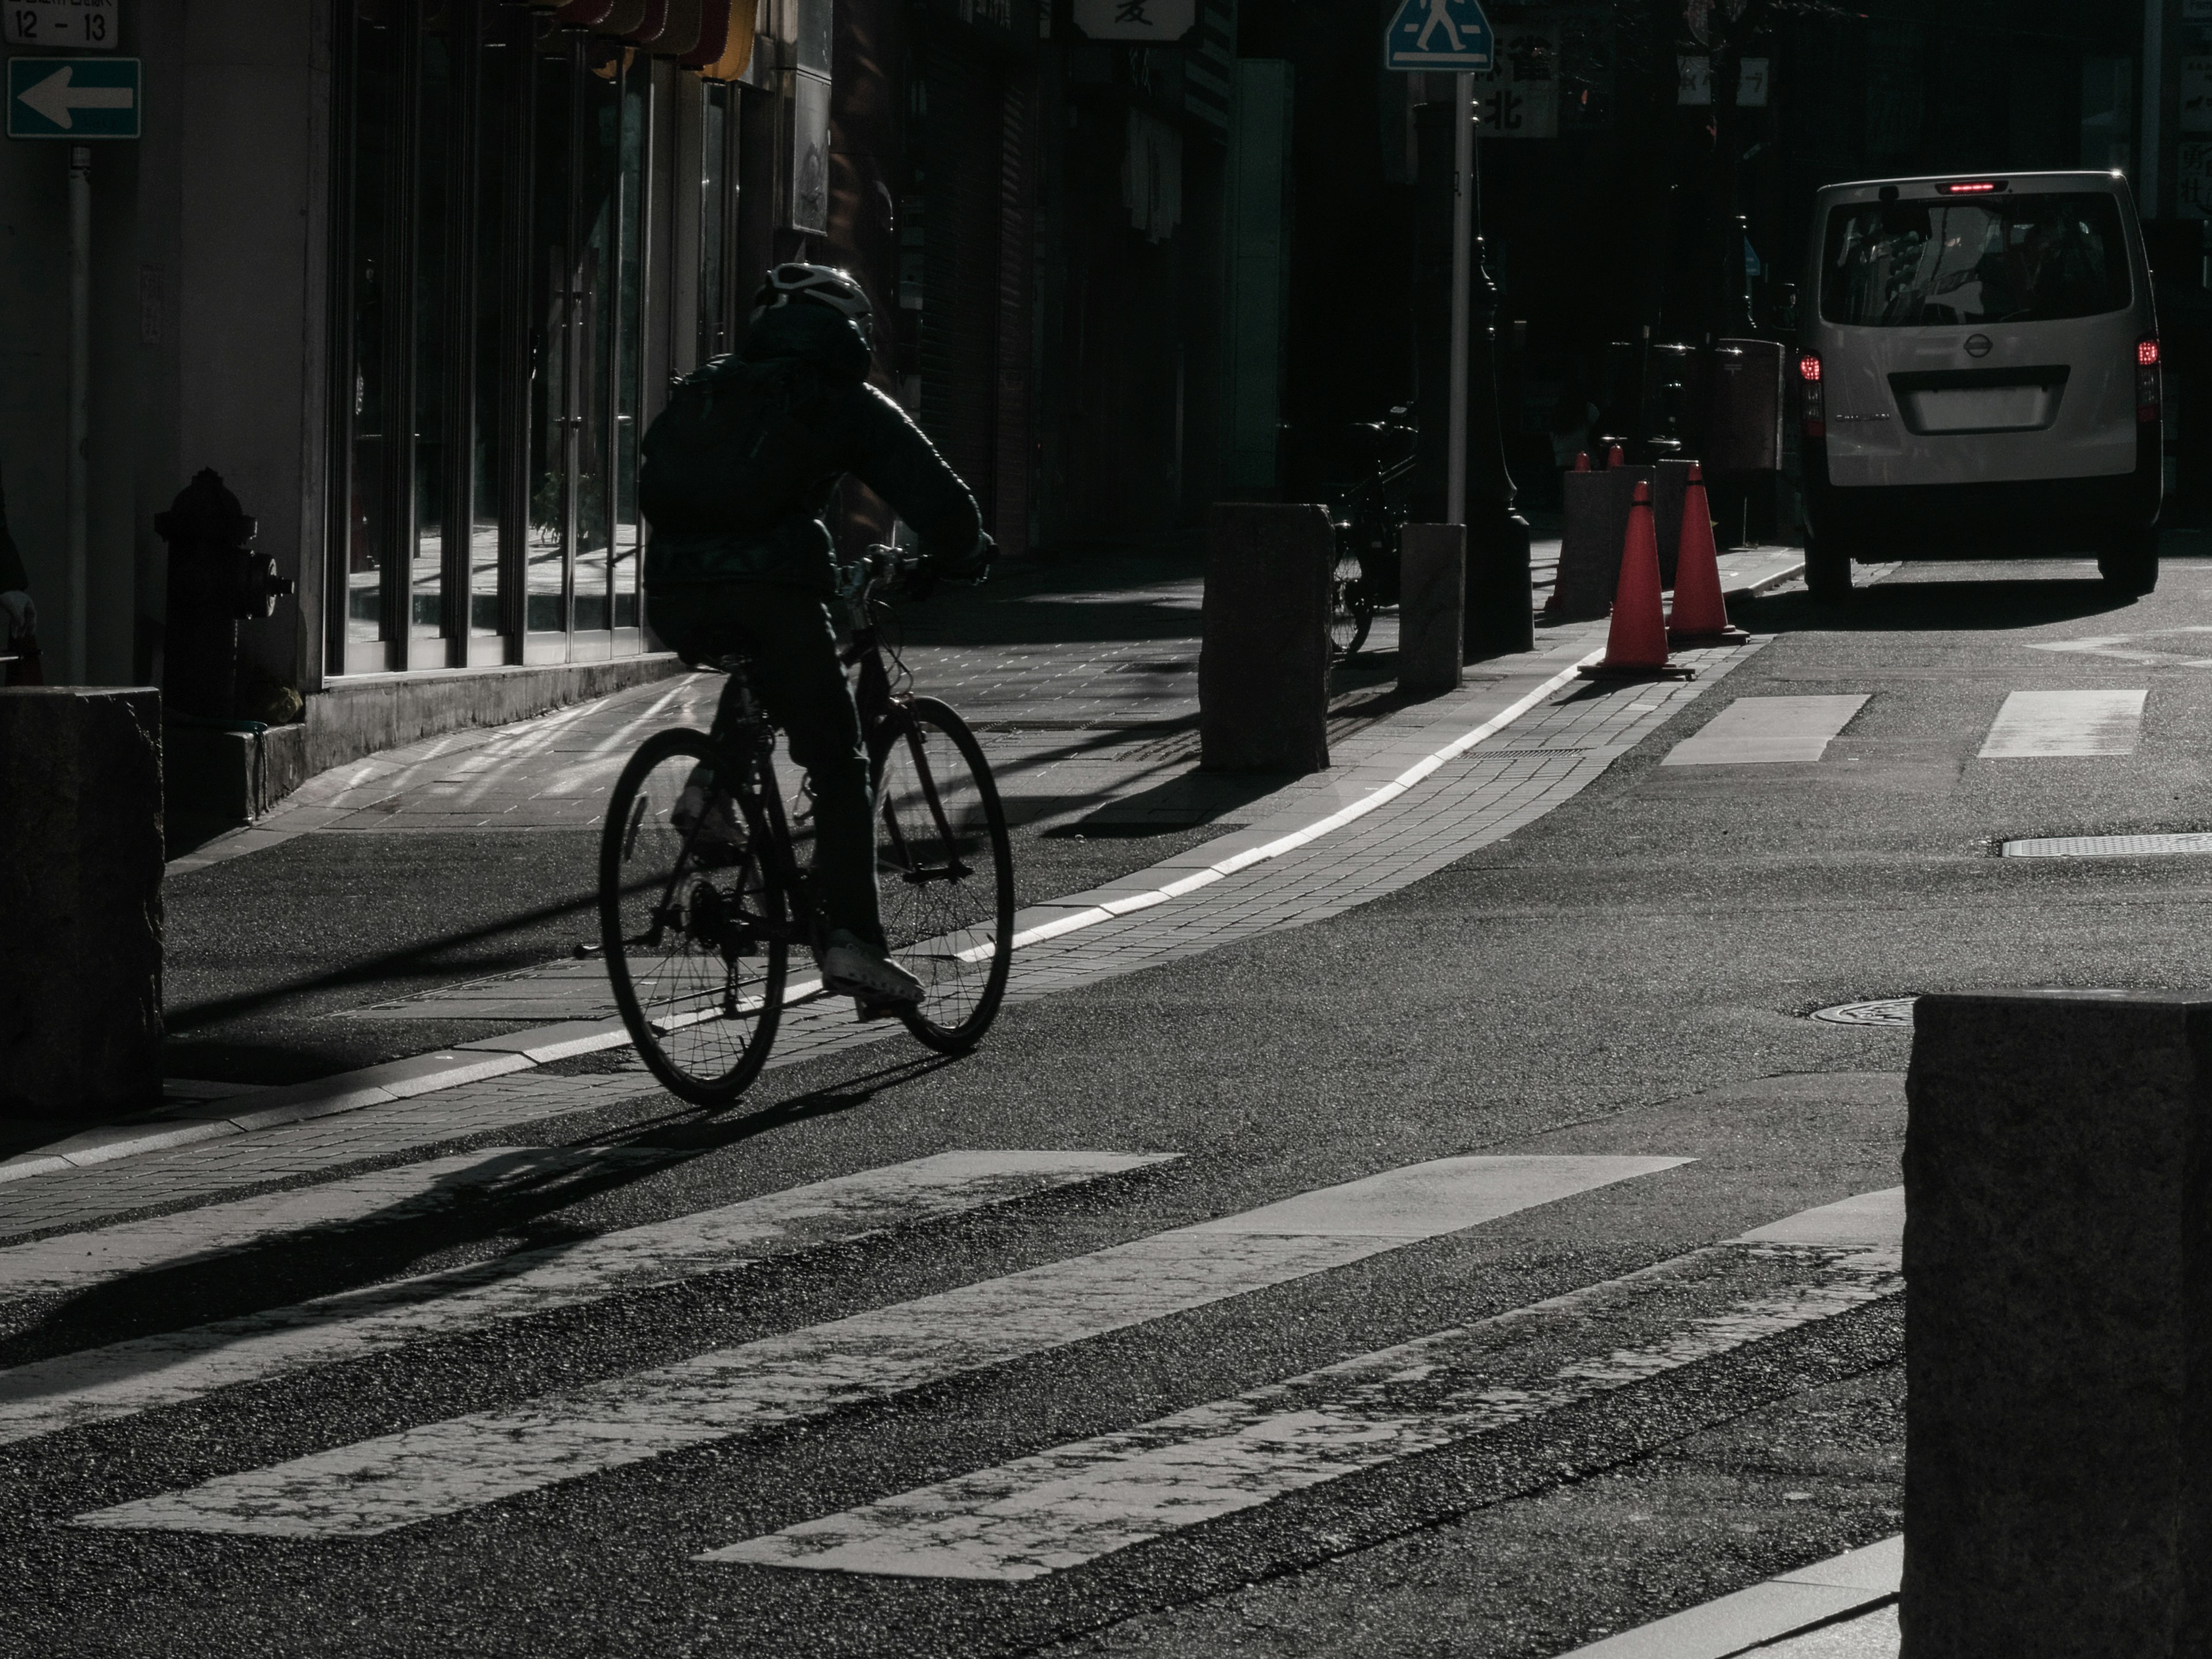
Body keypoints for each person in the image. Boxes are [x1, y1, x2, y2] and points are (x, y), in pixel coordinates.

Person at [641, 262, 993, 1009]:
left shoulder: (711, 384)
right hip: (773, 591)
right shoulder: (839, 396)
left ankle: (712, 784)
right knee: (838, 761)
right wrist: (964, 557)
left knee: (766, 663)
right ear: (845, 328)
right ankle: (854, 944)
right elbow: (935, 495)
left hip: (671, 594)